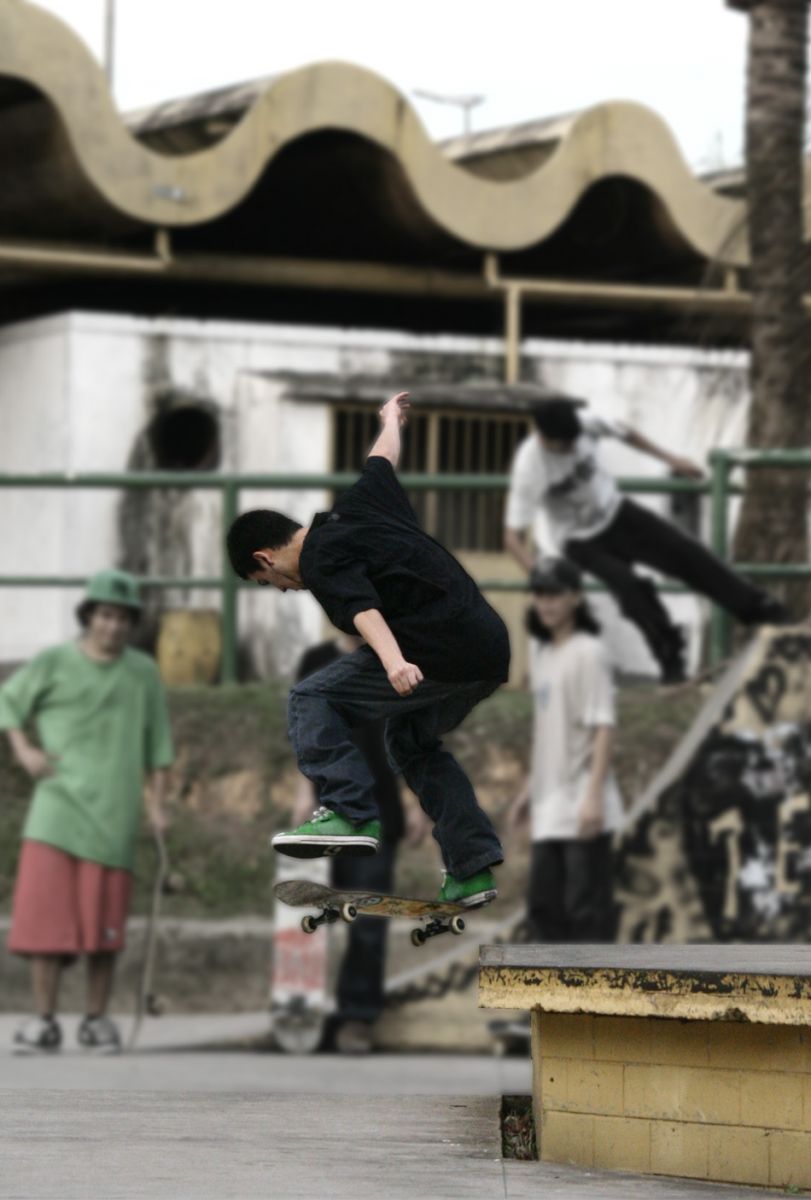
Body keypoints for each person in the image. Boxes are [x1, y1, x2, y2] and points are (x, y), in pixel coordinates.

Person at [227, 390, 509, 906]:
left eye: (269, 582)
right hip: (487, 649)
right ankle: (471, 868)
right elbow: (382, 458)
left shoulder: (319, 559)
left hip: (436, 648)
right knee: (411, 744)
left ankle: (350, 812)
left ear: (265, 558)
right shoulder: (360, 504)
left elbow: (363, 611)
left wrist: (394, 661)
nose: (284, 590)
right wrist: (390, 419)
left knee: (311, 697)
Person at [1, 570, 174, 1055]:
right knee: (44, 926)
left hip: (114, 815)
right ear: (89, 617)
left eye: (122, 618)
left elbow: (159, 747)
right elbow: (8, 702)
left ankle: (96, 1021)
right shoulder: (53, 661)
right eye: (104, 615)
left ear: (131, 624)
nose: (112, 626)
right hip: (55, 811)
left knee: (104, 927)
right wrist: (24, 750)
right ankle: (44, 1021)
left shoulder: (143, 672)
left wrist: (158, 806)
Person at [504, 395, 788, 684]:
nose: (574, 449)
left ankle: (760, 610)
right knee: (630, 589)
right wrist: (541, 581)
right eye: (565, 446)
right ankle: (670, 657)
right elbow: (512, 537)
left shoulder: (585, 423)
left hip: (617, 512)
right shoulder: (529, 467)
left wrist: (672, 460)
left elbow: (627, 433)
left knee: (686, 553)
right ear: (544, 438)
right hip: (579, 541)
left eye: (575, 441)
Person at [292, 633, 428, 1054]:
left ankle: (357, 1016)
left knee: (367, 923)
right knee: (309, 921)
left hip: (378, 814)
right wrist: (301, 793)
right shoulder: (316, 660)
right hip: (325, 811)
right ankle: (303, 1013)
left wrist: (417, 801)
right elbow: (304, 731)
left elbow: (412, 736)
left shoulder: (395, 662)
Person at [508, 558, 621, 941]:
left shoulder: (589, 653)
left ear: (575, 597)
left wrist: (594, 797)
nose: (546, 602)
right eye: (540, 593)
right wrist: (528, 792)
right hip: (550, 808)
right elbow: (547, 734)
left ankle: (592, 985)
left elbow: (603, 726)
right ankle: (550, 985)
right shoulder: (545, 655)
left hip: (582, 807)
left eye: (555, 593)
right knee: (544, 911)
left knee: (585, 914)